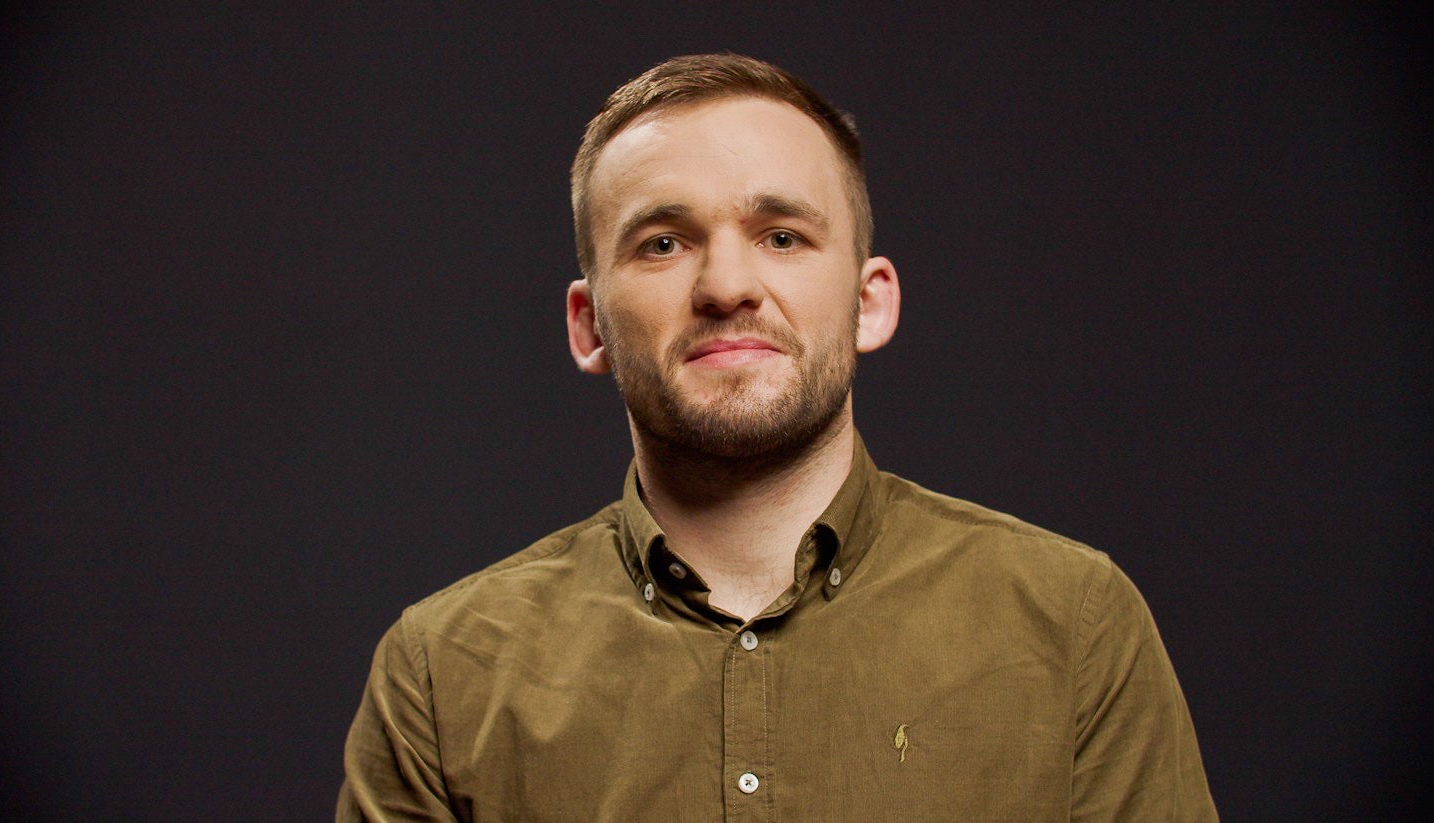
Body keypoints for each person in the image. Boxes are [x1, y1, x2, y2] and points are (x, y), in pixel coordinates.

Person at [338, 53, 1216, 821]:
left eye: (782, 236)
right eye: (663, 243)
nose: (726, 285)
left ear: (868, 301)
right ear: (587, 323)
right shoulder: (443, 671)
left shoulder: (1072, 623)